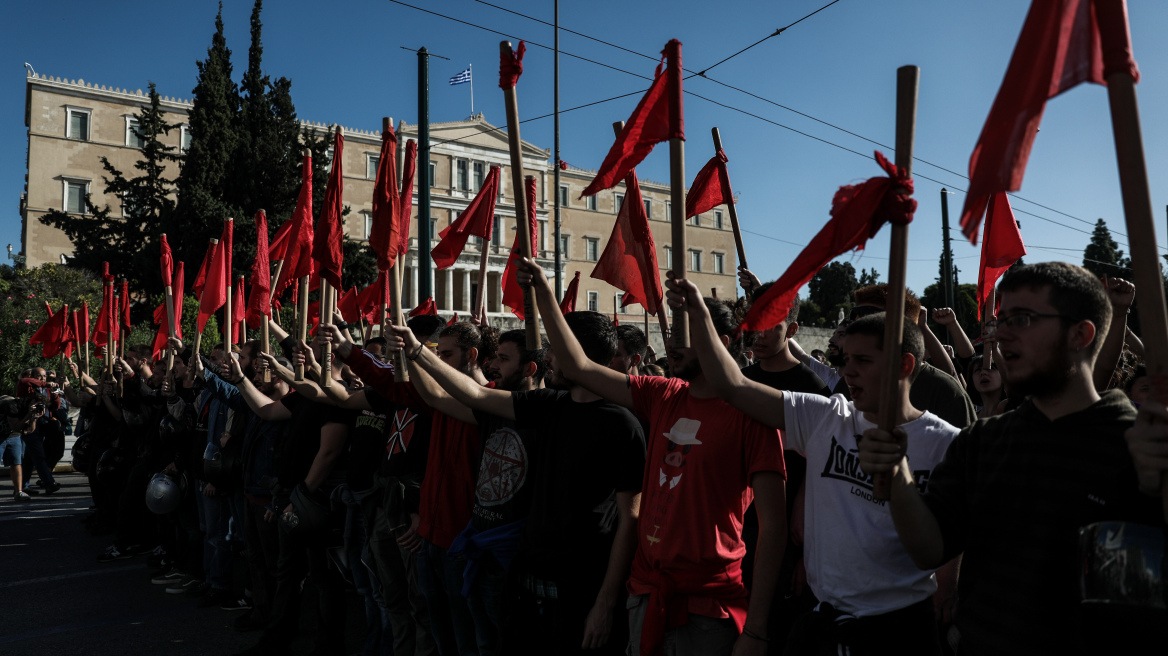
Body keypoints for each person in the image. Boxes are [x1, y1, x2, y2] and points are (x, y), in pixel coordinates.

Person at [858, 262, 1164, 655]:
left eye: (1022, 319)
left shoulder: (1141, 443)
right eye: (1001, 319)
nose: (1001, 334)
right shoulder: (984, 441)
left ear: (1080, 334)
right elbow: (929, 551)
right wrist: (897, 476)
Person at [666, 275, 959, 655]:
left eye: (863, 361)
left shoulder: (946, 444)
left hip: (900, 629)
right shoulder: (825, 417)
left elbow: (944, 548)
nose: (848, 371)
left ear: (904, 364)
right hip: (823, 622)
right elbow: (733, 386)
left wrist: (948, 594)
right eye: (846, 359)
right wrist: (699, 315)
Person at [516, 258, 787, 656]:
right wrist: (542, 292)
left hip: (708, 609)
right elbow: (577, 365)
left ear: (722, 343)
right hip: (645, 594)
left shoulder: (755, 417)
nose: (672, 343)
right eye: (673, 331)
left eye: (686, 333)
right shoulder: (662, 394)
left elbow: (773, 530)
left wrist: (757, 630)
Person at [385, 312, 645, 655]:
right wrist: (415, 351)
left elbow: (631, 520)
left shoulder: (623, 425)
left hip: (580, 594)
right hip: (526, 586)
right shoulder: (549, 404)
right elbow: (474, 397)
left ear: (577, 352)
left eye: (554, 348)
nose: (548, 356)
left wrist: (605, 604)